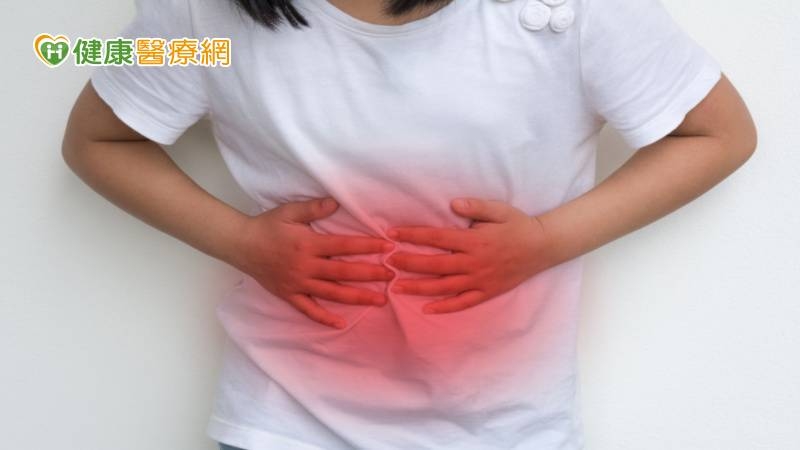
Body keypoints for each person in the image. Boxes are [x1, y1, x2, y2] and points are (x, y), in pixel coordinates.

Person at [61, 0, 757, 448]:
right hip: (282, 420)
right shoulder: (201, 16)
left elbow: (719, 133)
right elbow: (97, 139)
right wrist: (240, 241)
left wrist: (547, 242)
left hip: (506, 425)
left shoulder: (571, 11)